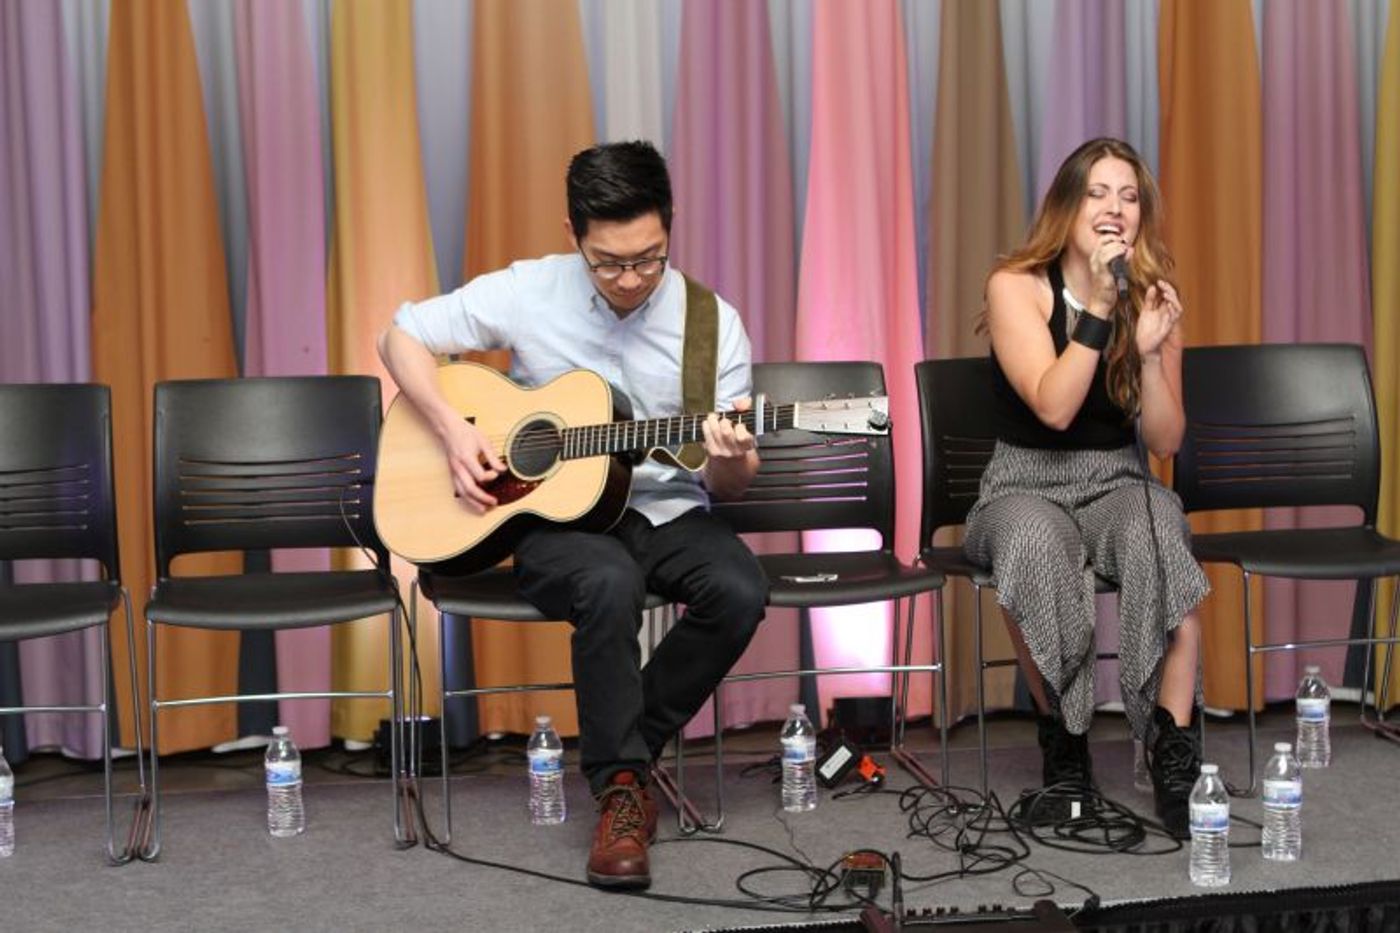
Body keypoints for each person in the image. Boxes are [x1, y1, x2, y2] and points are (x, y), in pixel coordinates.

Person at [378, 141, 768, 888]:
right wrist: (452, 428)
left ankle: (628, 755)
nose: (629, 279)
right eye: (608, 261)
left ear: (671, 227)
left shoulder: (712, 323)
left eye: (648, 259)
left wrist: (728, 452)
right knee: (608, 581)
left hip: (665, 507)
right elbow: (399, 335)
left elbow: (735, 484)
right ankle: (623, 792)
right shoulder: (530, 290)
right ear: (573, 234)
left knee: (742, 589)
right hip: (553, 522)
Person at [964, 137, 1210, 838]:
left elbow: (1163, 441)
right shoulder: (1018, 285)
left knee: (1160, 526)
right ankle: (1065, 744)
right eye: (1099, 193)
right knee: (1037, 542)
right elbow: (1054, 405)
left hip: (1115, 480)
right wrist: (1100, 309)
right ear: (1067, 206)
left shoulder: (1155, 295)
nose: (1115, 209)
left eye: (1129, 196)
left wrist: (1155, 354)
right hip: (1022, 483)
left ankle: (1170, 745)